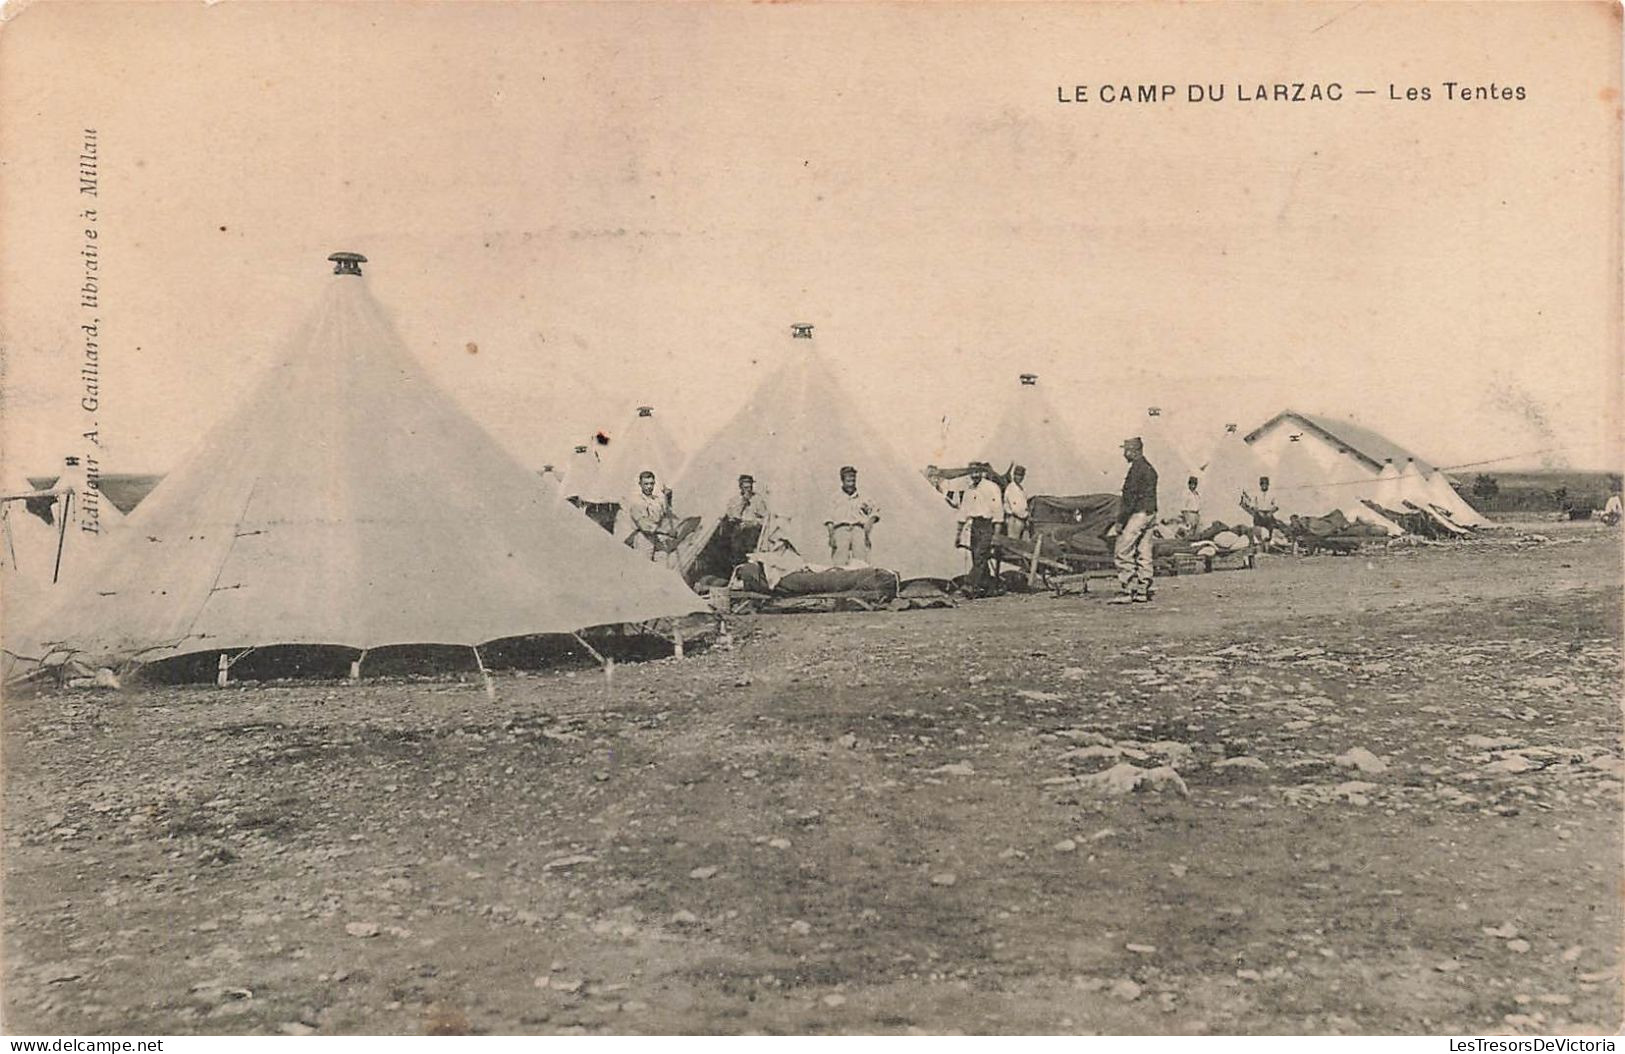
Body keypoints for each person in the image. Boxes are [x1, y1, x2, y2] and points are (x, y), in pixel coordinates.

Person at [1106, 437, 1157, 604]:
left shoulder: (1136, 469)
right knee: (1144, 551)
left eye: (1125, 450)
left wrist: (1121, 521)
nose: (1123, 454)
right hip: (1150, 513)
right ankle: (1143, 589)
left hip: (1138, 514)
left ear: (1133, 451)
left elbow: (1130, 498)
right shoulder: (1149, 467)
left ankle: (1129, 589)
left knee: (1122, 550)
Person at [959, 461, 1005, 596]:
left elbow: (998, 510)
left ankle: (969, 584)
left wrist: (996, 534)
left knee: (980, 555)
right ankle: (988, 587)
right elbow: (963, 512)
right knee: (976, 556)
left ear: (982, 472)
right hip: (975, 525)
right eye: (972, 472)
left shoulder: (991, 487)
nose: (975, 475)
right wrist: (958, 533)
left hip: (987, 525)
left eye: (977, 472)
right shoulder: (969, 490)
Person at [825, 465, 879, 567]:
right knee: (840, 562)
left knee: (861, 561)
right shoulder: (835, 497)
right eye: (848, 478)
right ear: (842, 479)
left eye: (853, 478)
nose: (851, 480)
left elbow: (875, 511)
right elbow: (829, 519)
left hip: (858, 530)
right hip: (841, 530)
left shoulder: (863, 496)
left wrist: (869, 525)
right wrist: (831, 536)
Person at [720, 474, 775, 565]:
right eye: (745, 487)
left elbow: (765, 519)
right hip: (738, 530)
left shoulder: (758, 499)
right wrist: (743, 503)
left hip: (753, 530)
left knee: (750, 549)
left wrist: (753, 523)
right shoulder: (734, 500)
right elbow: (732, 516)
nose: (748, 490)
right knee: (735, 543)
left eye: (750, 487)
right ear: (740, 487)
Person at [624, 471, 675, 562]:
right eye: (646, 484)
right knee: (643, 566)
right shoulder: (637, 501)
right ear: (640, 484)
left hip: (657, 537)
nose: (649, 487)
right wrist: (666, 532)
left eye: (651, 484)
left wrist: (668, 498)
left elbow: (666, 514)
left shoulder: (657, 501)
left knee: (662, 565)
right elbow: (645, 525)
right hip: (643, 538)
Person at [1241, 475, 1282, 547]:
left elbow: (1276, 505)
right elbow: (1253, 505)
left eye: (1266, 484)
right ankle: (1257, 541)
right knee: (1257, 527)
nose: (1264, 486)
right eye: (1263, 484)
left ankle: (1270, 541)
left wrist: (1271, 512)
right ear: (1260, 485)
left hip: (1269, 513)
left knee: (1272, 526)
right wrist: (1258, 512)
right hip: (1259, 513)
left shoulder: (1273, 494)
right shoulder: (1256, 493)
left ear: (1268, 485)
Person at [1003, 465, 1031, 541]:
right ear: (1014, 475)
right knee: (1013, 543)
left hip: (1022, 520)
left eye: (1021, 475)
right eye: (1017, 475)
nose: (1019, 477)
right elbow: (1015, 508)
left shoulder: (1022, 489)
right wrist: (1025, 515)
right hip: (1014, 519)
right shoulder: (1011, 488)